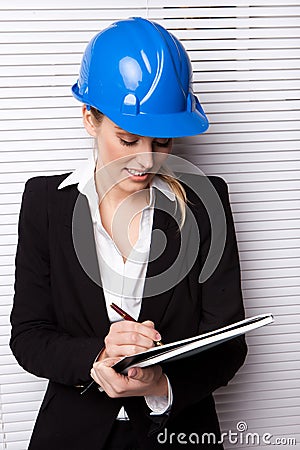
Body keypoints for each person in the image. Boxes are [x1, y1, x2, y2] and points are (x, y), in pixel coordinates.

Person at [10, 17, 247, 449]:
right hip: (72, 435)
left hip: (178, 432)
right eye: (128, 138)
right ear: (89, 118)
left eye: (162, 143)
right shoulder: (45, 202)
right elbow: (28, 335)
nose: (146, 161)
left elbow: (228, 344)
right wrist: (96, 356)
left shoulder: (205, 203)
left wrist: (161, 384)